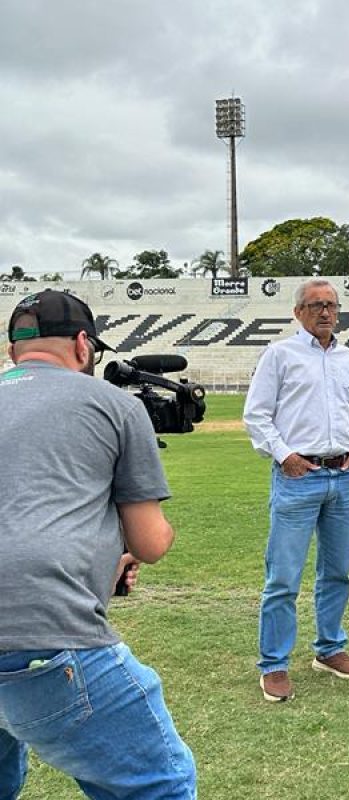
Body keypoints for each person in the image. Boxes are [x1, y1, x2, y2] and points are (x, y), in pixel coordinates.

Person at [0, 289, 196, 798]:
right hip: (40, 632)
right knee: (160, 784)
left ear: (12, 351)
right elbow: (150, 542)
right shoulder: (112, 404)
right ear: (84, 345)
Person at [243, 278, 349, 702]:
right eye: (316, 305)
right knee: (283, 577)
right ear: (298, 312)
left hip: (345, 478)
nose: (325, 312)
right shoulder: (279, 355)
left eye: (331, 305)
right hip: (298, 477)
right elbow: (257, 416)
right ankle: (274, 664)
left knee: (338, 572)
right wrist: (284, 456)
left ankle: (330, 648)